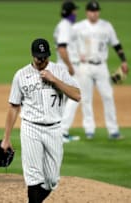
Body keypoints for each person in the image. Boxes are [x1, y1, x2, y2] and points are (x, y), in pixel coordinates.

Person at [0, 38, 80, 203]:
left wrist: (55, 80)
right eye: (39, 58)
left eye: (45, 57)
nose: (42, 61)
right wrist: (6, 138)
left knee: (51, 180)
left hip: (55, 129)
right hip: (31, 128)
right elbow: (14, 107)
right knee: (34, 178)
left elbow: (77, 95)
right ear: (32, 55)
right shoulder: (21, 75)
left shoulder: (59, 71)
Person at [74, 0, 128, 139]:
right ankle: (89, 129)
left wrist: (123, 60)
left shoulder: (106, 26)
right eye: (92, 11)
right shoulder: (78, 27)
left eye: (96, 11)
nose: (94, 13)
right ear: (87, 12)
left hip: (101, 66)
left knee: (108, 96)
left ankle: (113, 130)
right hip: (85, 66)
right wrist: (75, 56)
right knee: (86, 98)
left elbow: (116, 44)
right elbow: (67, 44)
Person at [53, 0, 81, 143]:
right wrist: (70, 66)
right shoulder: (65, 26)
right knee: (73, 98)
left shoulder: (65, 26)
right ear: (70, 12)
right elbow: (62, 48)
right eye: (74, 10)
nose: (76, 13)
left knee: (64, 100)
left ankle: (60, 131)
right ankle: (62, 131)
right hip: (66, 67)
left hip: (63, 65)